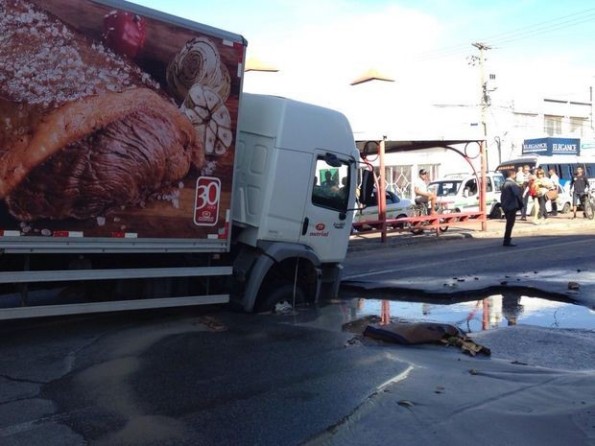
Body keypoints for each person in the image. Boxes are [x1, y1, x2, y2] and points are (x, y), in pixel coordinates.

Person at [500, 168, 523, 247]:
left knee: (509, 223)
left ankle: (507, 239)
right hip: (511, 206)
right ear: (513, 174)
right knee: (510, 224)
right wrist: (520, 188)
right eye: (515, 174)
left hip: (506, 205)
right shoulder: (511, 184)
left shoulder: (504, 183)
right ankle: (507, 240)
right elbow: (517, 193)